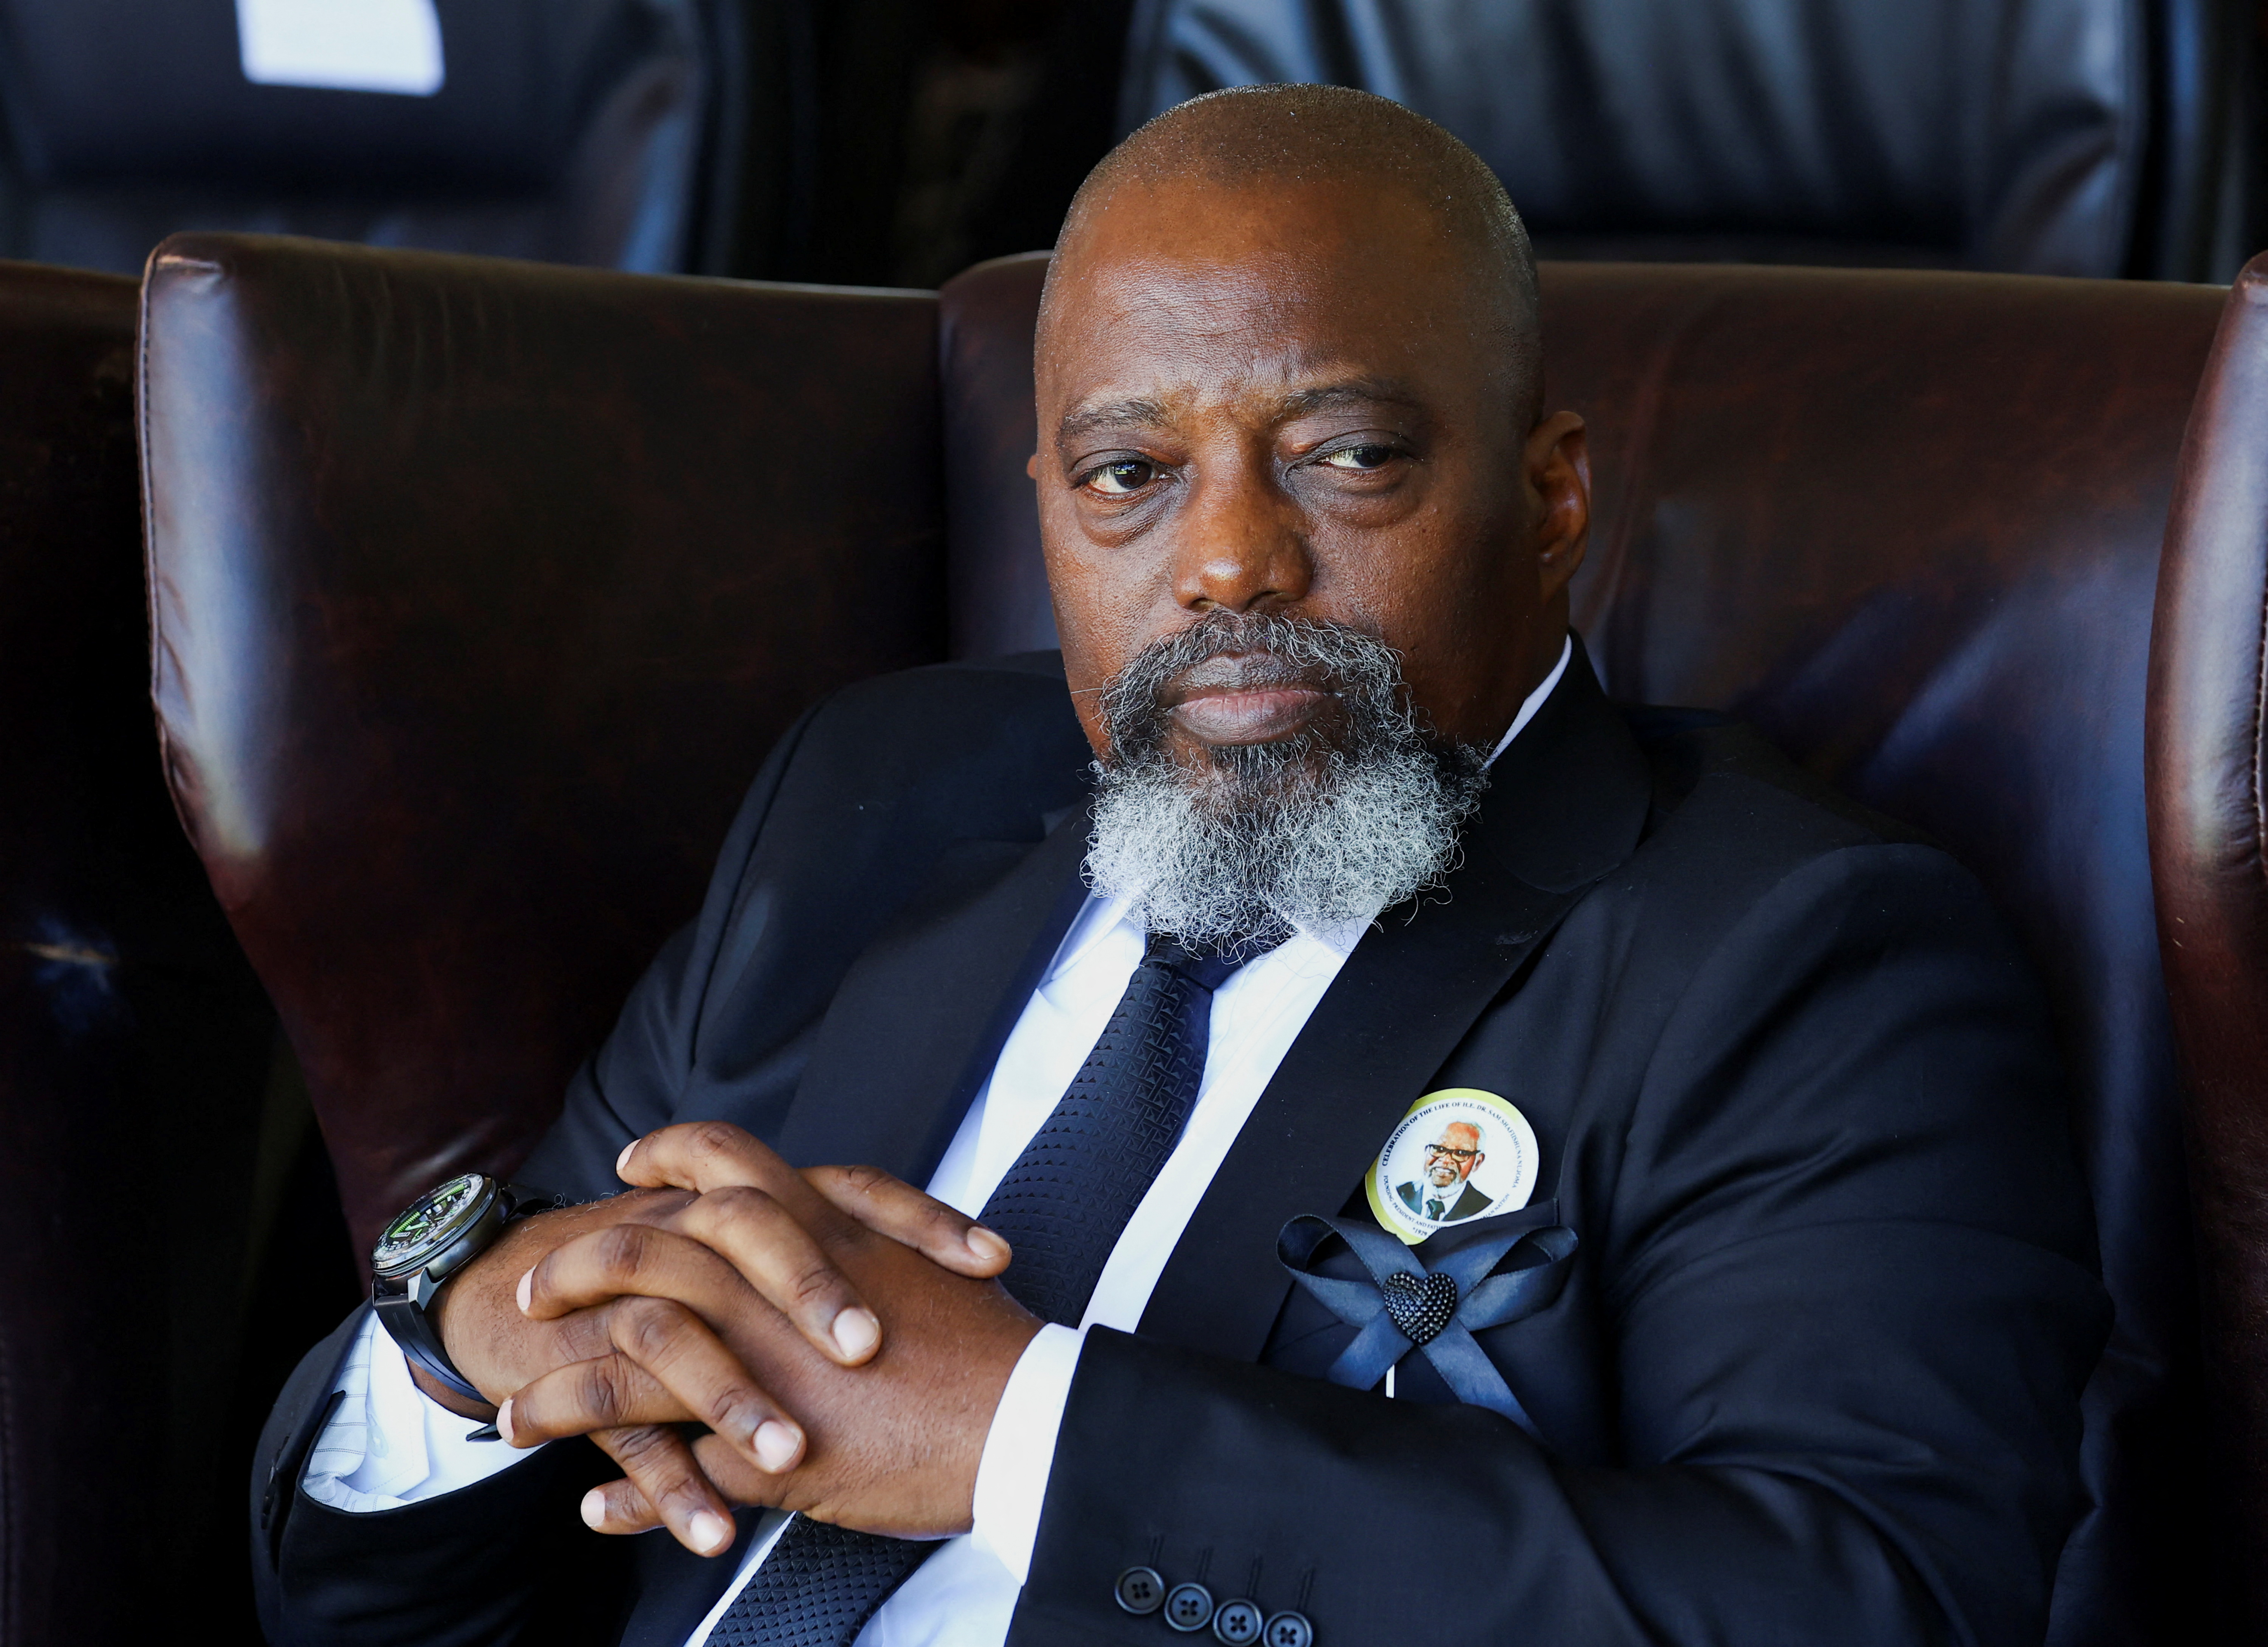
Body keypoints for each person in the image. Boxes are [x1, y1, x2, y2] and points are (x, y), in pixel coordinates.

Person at [252, 84, 2108, 1647]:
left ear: (1551, 498)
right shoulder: (868, 802)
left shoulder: (1796, 949)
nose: (1226, 563)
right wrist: (467, 1344)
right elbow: (345, 1588)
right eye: (1127, 474)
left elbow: (1881, 1598)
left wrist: (1014, 1429)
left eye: (1348, 454)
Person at [1396, 1122, 1491, 1224]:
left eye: (1461, 1153)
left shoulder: (1486, 1210)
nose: (1446, 1160)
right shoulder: (1400, 1193)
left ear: (1477, 1162)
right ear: (1426, 1151)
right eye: (1439, 1149)